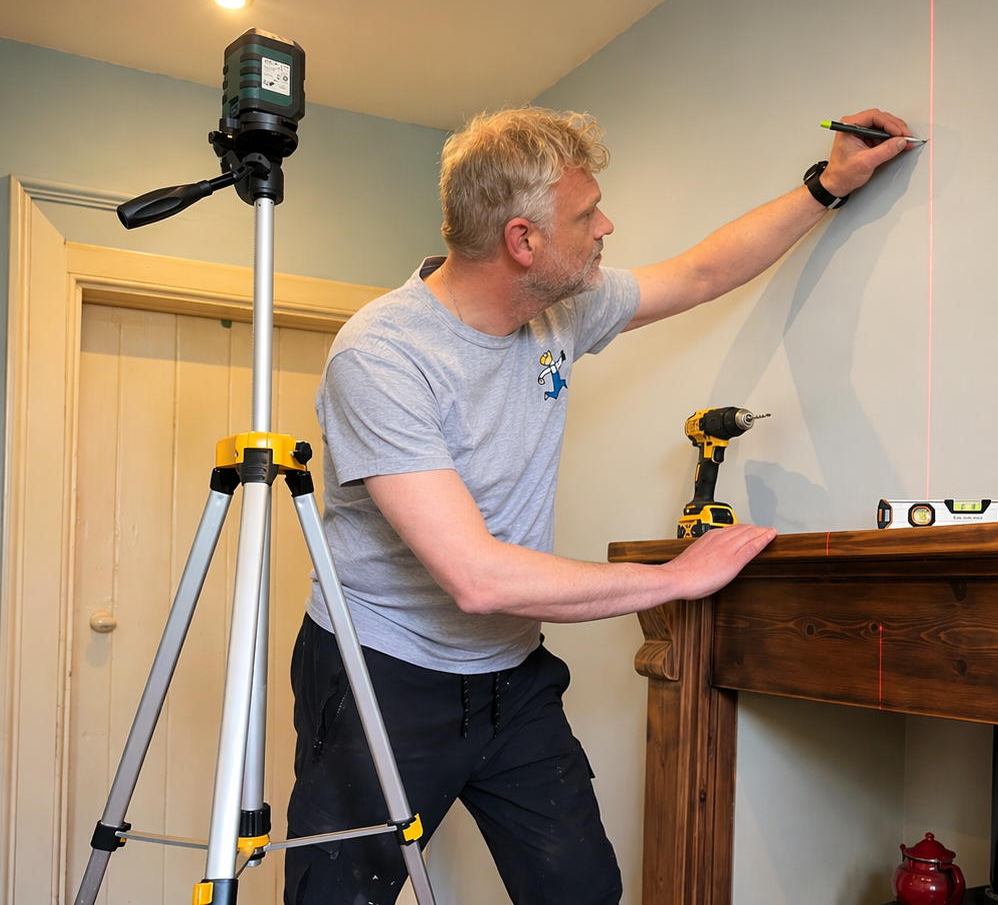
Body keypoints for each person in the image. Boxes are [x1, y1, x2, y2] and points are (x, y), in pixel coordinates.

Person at [284, 106, 917, 905]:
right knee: (337, 899)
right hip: (383, 670)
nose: (605, 226)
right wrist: (674, 577)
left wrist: (829, 184)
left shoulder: (561, 308)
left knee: (581, 891)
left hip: (510, 676)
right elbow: (477, 577)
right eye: (587, 215)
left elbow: (698, 274)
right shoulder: (383, 357)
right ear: (523, 240)